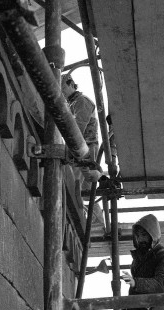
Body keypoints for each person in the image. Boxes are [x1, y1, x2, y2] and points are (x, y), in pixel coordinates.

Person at [61, 73, 103, 224]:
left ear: (71, 84)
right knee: (82, 188)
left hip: (86, 148)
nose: (61, 91)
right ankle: (95, 220)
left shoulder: (81, 101)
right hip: (79, 148)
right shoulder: (72, 103)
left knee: (83, 186)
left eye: (63, 87)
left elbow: (78, 127)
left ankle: (97, 222)